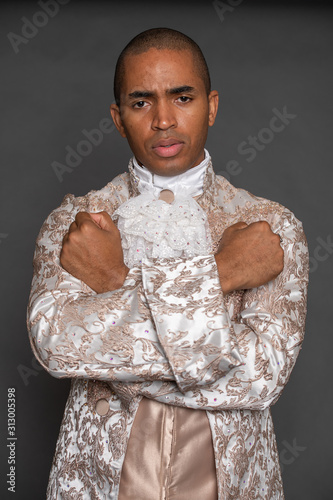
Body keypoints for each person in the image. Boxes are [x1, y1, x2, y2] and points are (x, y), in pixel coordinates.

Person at [27, 28, 309, 499]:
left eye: (182, 97)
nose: (163, 119)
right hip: (100, 482)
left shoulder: (268, 228)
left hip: (228, 483)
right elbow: (56, 344)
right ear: (117, 118)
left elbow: (262, 375)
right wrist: (220, 274)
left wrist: (117, 282)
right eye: (141, 102)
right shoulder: (77, 224)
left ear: (212, 106)